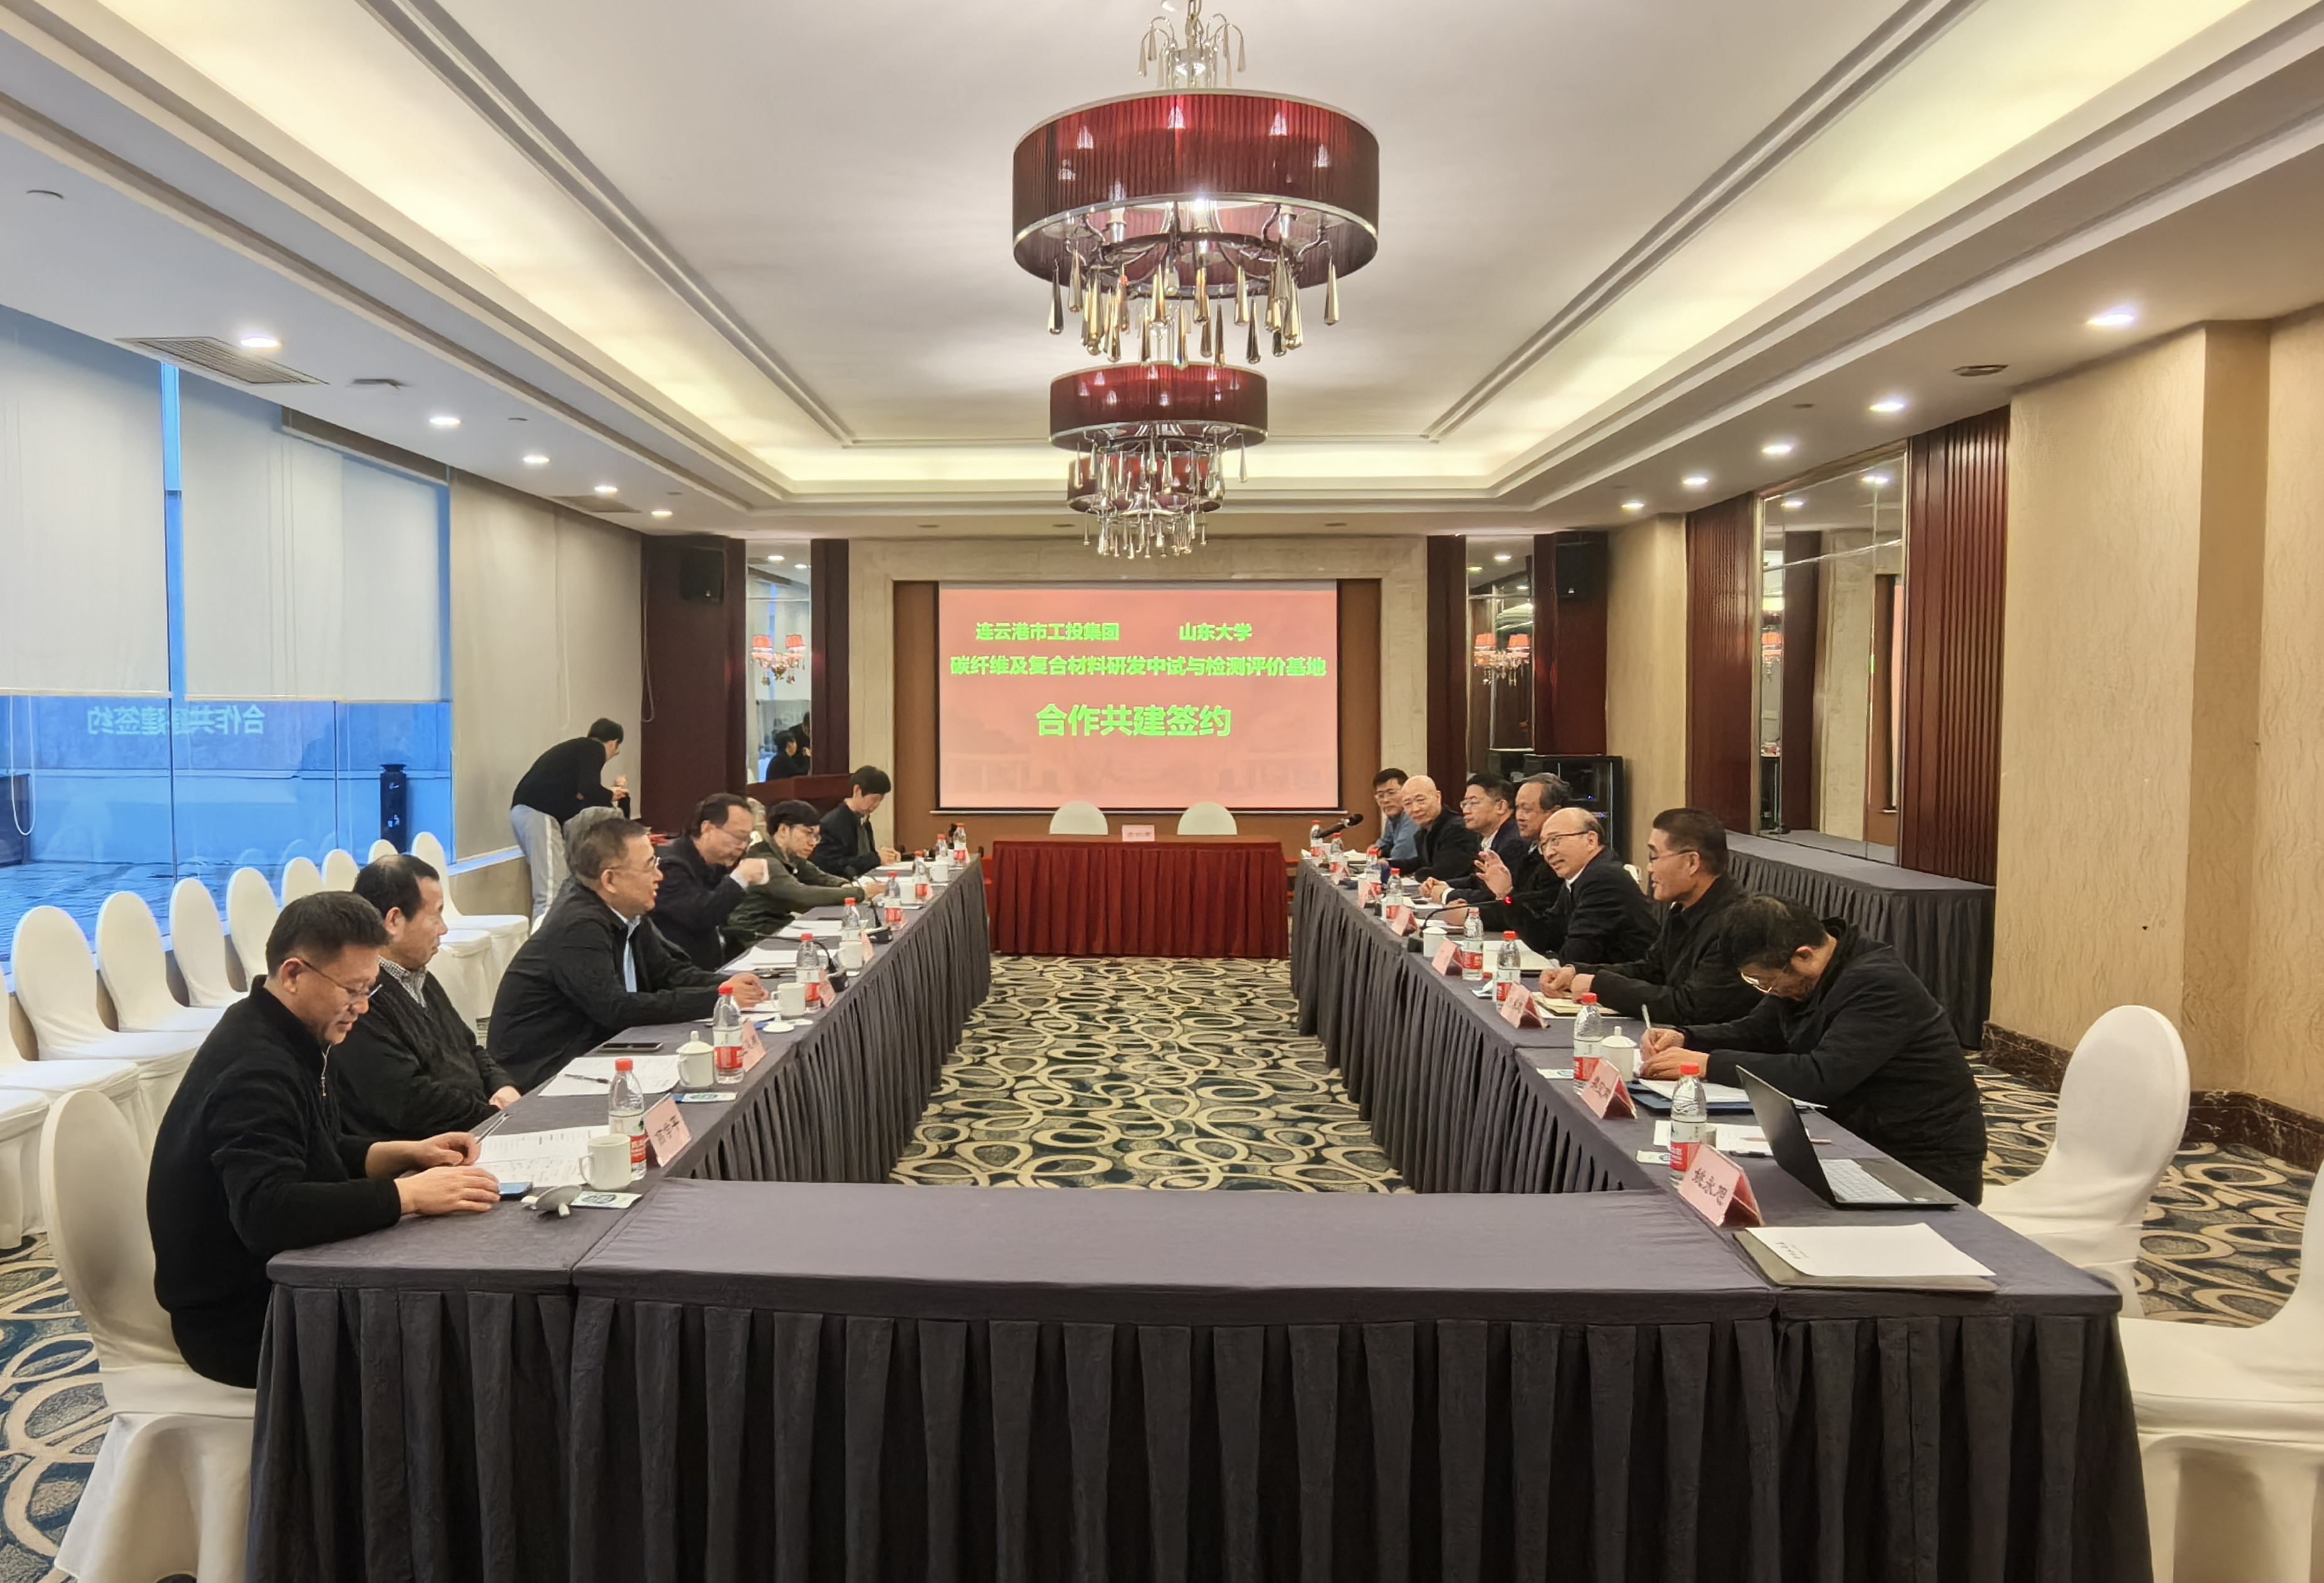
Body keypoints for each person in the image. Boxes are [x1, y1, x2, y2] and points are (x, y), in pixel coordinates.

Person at [148, 893, 502, 1387]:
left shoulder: (285, 1031)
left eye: (369, 990)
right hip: (245, 1322)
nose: (362, 1007)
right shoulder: (255, 1069)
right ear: (294, 973)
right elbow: (267, 1212)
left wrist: (403, 1153)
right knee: (453, 1331)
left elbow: (317, 1148)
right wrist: (407, 1194)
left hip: (282, 1285)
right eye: (353, 990)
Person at [1641, 895, 1987, 1202]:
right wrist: (1686, 1038)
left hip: (1920, 1161)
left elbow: (1819, 1077)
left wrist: (1708, 1065)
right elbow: (1757, 1031)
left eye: (1766, 981)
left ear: (1803, 955)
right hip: (1855, 1141)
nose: (1767, 990)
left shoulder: (1879, 983)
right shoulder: (1804, 976)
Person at [486, 817, 765, 1094]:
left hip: (599, 1048)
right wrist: (715, 999)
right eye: (649, 866)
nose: (659, 876)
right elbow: (615, 1009)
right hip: (544, 1068)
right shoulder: (578, 926)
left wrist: (725, 986)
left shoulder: (628, 912)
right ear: (610, 880)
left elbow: (670, 972)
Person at [330, 855, 521, 1139]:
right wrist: (492, 1115)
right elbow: (408, 1099)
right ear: (394, 921)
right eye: (436, 915)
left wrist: (502, 1086)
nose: (444, 928)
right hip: (431, 1146)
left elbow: (470, 1047)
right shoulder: (361, 1000)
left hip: (478, 1123)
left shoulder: (419, 976)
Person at [1544, 808, 1762, 1024]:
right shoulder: (1683, 909)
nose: (1649, 868)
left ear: (1692, 863)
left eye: (1654, 857)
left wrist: (1600, 986)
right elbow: (1651, 970)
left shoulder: (1738, 922)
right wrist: (1577, 972)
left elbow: (1690, 1007)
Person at [509, 718, 628, 922]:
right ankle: (547, 941)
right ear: (613, 743)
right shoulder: (593, 749)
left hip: (524, 813)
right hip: (538, 815)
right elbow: (589, 788)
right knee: (551, 894)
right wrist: (611, 795)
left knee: (552, 888)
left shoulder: (574, 753)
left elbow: (582, 795)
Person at [725, 799, 869, 953]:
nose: (813, 843)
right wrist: (859, 893)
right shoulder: (765, 861)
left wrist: (843, 885)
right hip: (755, 938)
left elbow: (821, 878)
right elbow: (802, 895)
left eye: (817, 836)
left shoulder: (792, 857)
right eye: (808, 833)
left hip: (778, 928)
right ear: (783, 830)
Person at [650, 792, 772, 969]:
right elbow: (701, 916)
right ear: (707, 828)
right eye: (738, 837)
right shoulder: (670, 866)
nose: (743, 846)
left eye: (748, 839)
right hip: (686, 971)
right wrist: (740, 879)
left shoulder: (715, 864)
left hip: (720, 962)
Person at [1454, 774, 1570, 939]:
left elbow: (1535, 913)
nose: (1519, 817)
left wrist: (1473, 913)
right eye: (1518, 809)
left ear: (1554, 814)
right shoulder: (1533, 851)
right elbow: (1517, 901)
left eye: (1527, 810)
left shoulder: (1562, 859)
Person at [1539, 806, 1657, 963]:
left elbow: (1577, 956)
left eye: (1556, 840)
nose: (1549, 853)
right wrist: (1509, 895)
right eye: (1544, 845)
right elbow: (1546, 937)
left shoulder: (1603, 879)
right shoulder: (1579, 876)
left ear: (1591, 840)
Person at [1423, 772, 1524, 904]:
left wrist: (1446, 894)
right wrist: (1444, 884)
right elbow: (1479, 880)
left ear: (1501, 807)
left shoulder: (1513, 842)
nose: (1466, 811)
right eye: (1465, 804)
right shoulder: (1486, 837)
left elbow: (1494, 895)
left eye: (1474, 803)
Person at [814, 766, 902, 879]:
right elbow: (831, 866)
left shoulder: (863, 820)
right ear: (857, 790)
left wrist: (885, 856)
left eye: (880, 801)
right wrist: (875, 859)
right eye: (874, 799)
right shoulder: (832, 824)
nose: (876, 805)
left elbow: (864, 856)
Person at [1388, 774, 1478, 884]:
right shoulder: (1422, 833)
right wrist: (1390, 865)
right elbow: (1423, 862)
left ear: (1438, 797)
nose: (1415, 809)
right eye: (1408, 804)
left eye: (1421, 800)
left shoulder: (1457, 828)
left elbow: (1446, 872)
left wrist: (1416, 875)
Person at [1372, 769, 1418, 864]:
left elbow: (1399, 857)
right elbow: (1377, 848)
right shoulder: (1393, 817)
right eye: (1381, 796)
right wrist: (1381, 851)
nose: (1386, 800)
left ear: (1406, 793)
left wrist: (1383, 852)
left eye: (1391, 793)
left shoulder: (1412, 816)